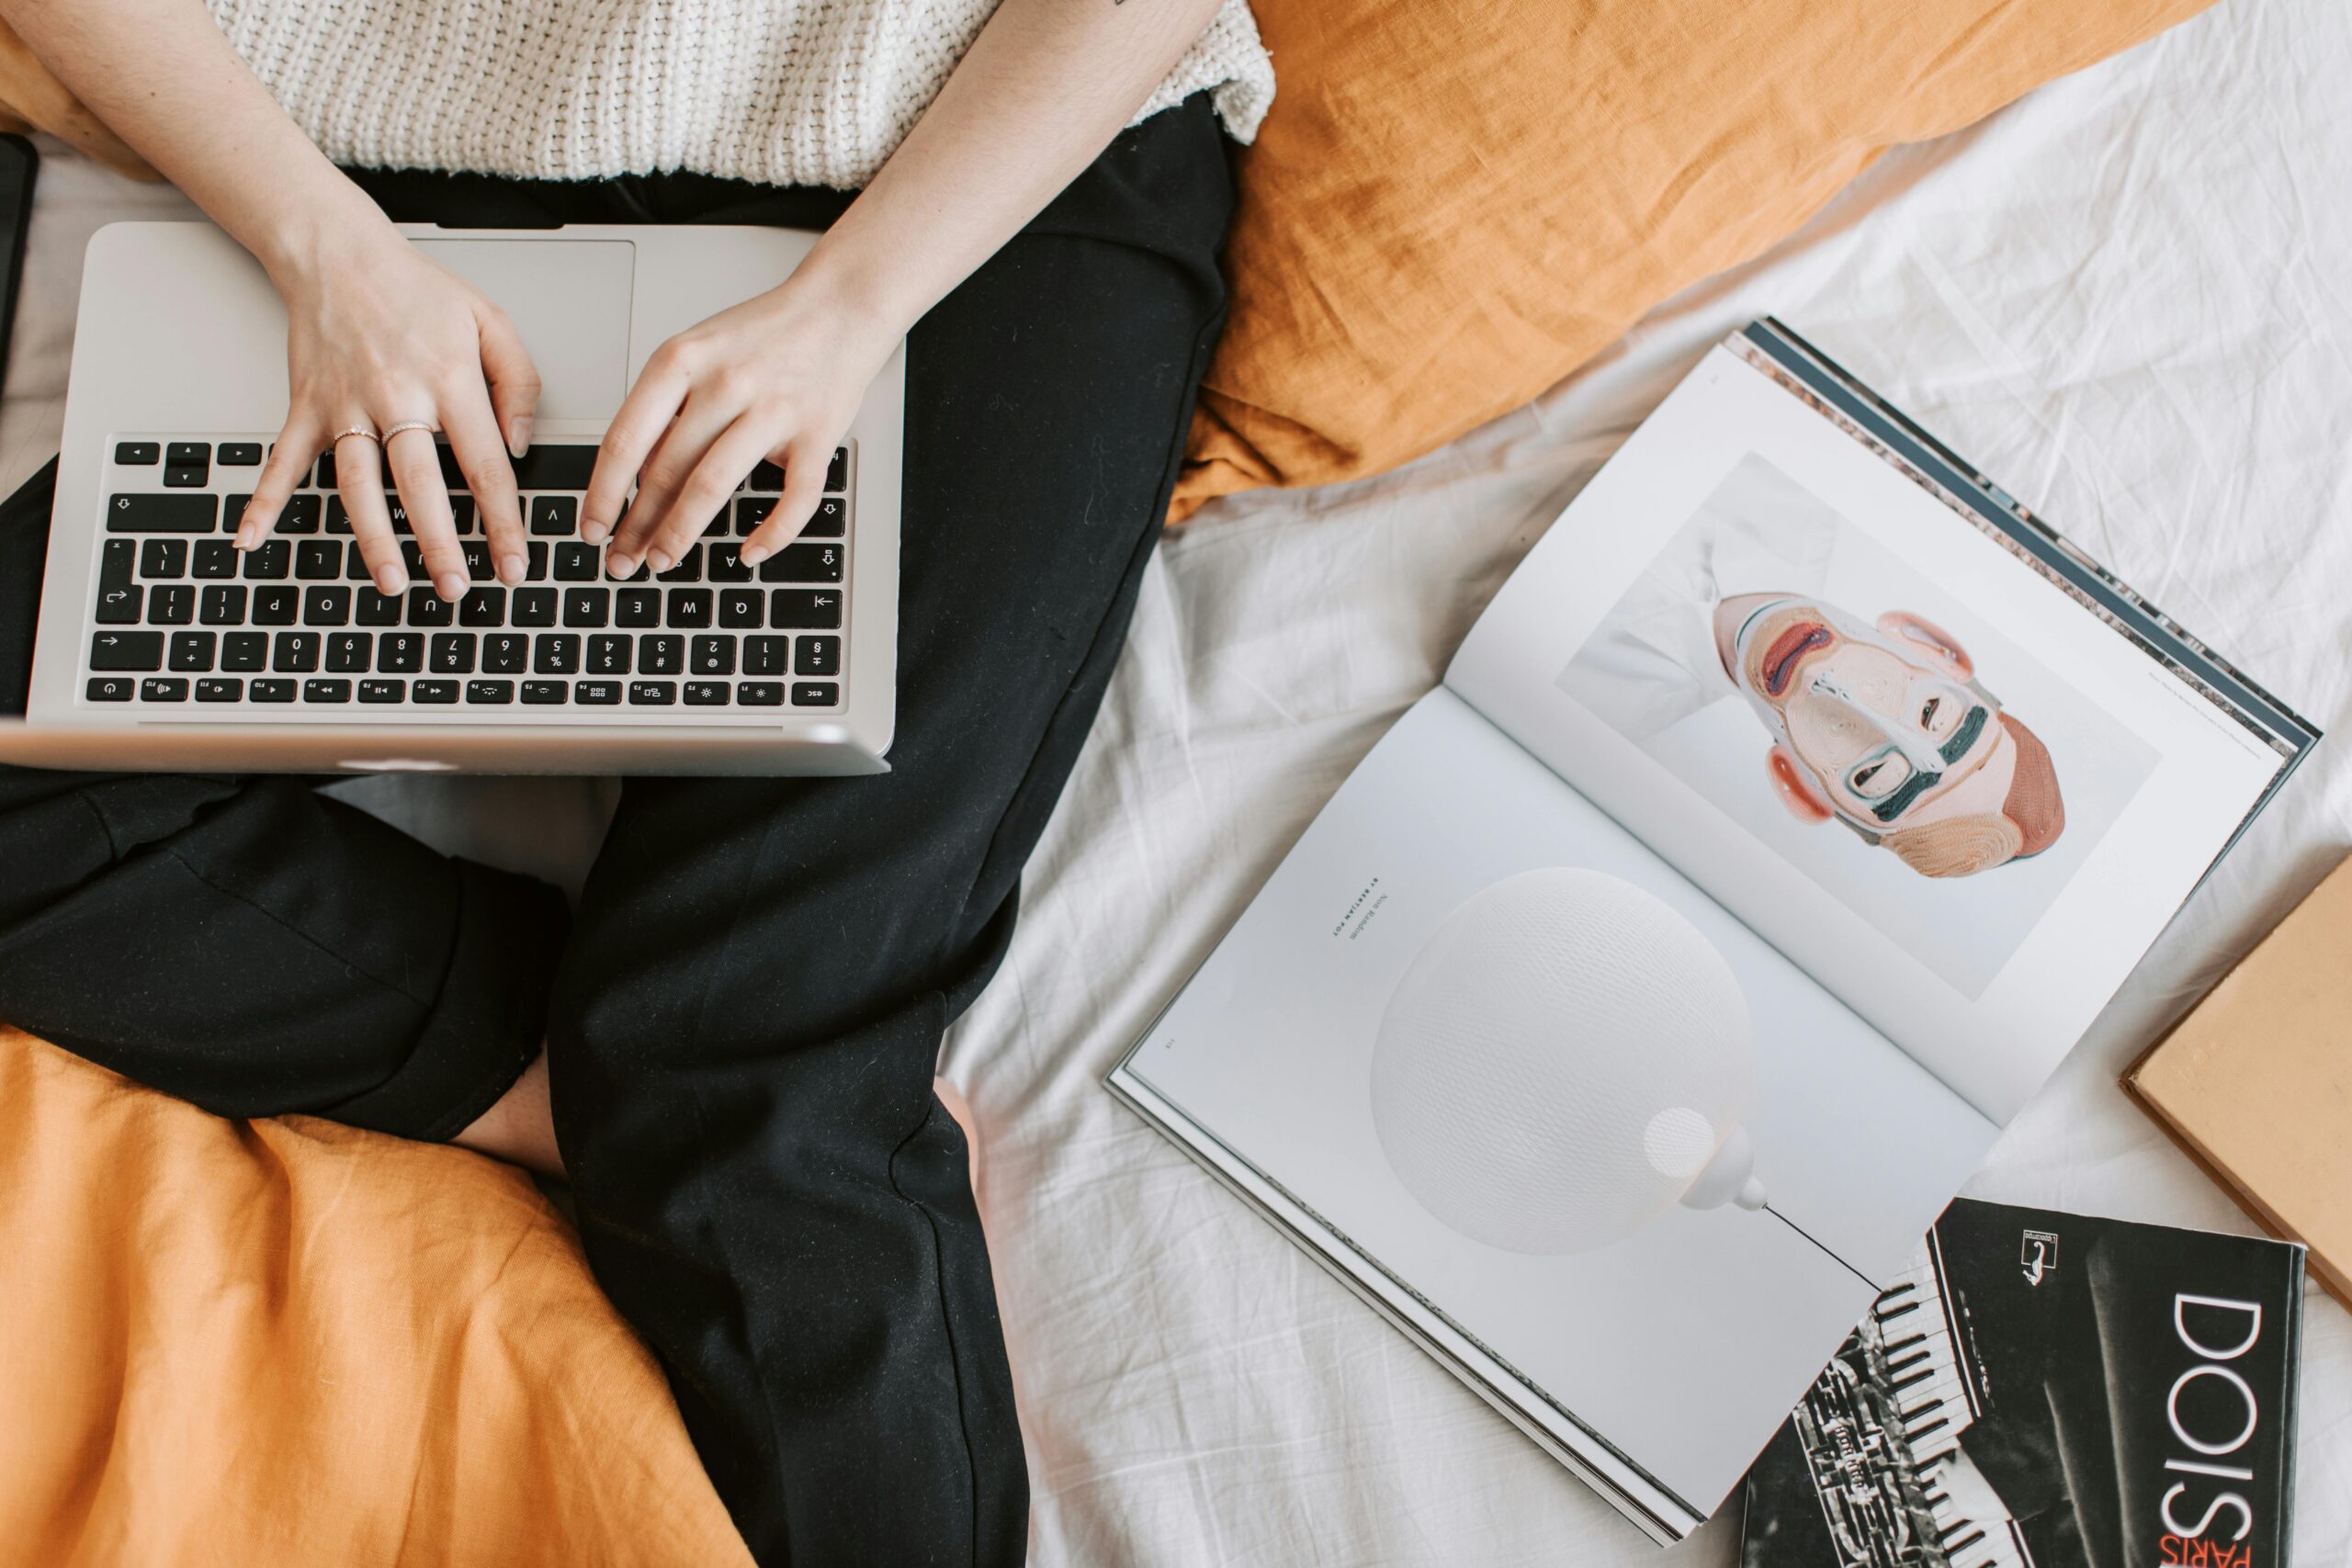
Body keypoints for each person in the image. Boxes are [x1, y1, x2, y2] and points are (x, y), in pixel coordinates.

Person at [0, 0, 1272, 1562]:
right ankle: (574, 1070)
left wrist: (844, 309)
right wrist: (326, 250)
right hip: (421, 210)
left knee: (756, 1089)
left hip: (979, 185)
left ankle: (661, 1070)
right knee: (687, 1055)